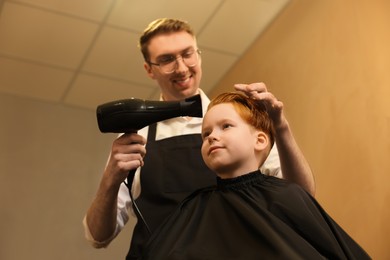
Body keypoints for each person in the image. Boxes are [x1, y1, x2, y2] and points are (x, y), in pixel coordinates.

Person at [83, 18, 315, 259]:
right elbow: (97, 236)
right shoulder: (134, 137)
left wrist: (281, 126)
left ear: (199, 55)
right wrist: (111, 178)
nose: (182, 68)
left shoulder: (241, 120)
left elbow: (303, 198)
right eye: (167, 59)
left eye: (187, 54)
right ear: (149, 69)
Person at [140, 92, 370, 260]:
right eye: (206, 133)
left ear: (260, 141)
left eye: (226, 126)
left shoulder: (286, 194)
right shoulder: (192, 210)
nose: (211, 137)